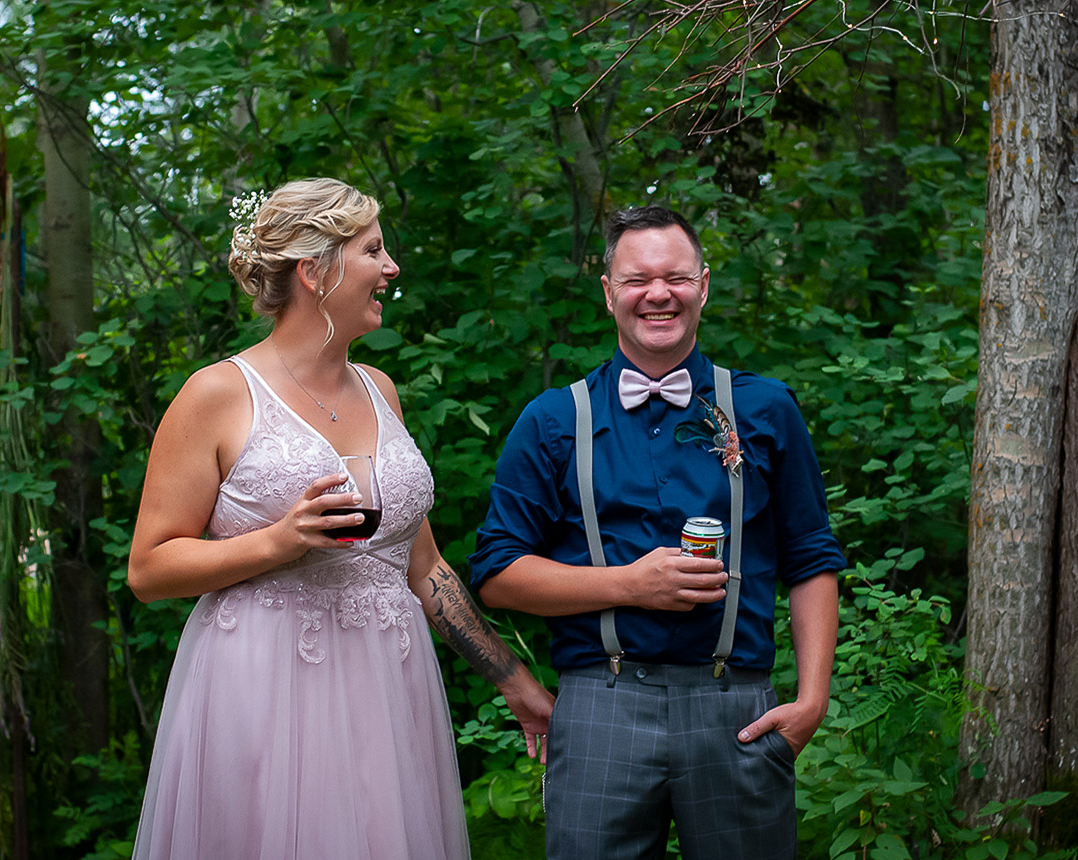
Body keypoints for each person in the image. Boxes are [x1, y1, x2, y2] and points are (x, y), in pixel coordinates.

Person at [126, 178, 553, 860]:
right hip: (264, 686)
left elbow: (424, 567)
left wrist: (512, 679)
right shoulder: (217, 393)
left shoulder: (380, 390)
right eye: (373, 251)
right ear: (314, 270)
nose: (391, 269)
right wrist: (276, 541)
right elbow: (148, 569)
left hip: (387, 682)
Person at [468, 204, 846, 860]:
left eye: (674, 276)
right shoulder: (553, 419)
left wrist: (812, 699)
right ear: (609, 292)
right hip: (599, 706)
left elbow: (810, 558)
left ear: (702, 284)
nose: (657, 294)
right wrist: (629, 584)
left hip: (737, 706)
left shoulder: (765, 408)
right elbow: (497, 575)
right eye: (637, 279)